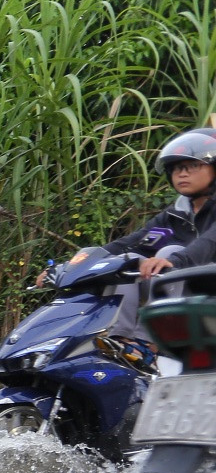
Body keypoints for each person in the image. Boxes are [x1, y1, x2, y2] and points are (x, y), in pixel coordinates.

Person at [43, 128, 216, 369]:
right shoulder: (176, 214)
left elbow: (208, 243)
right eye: (176, 168)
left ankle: (150, 343)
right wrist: (70, 266)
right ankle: (123, 338)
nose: (182, 174)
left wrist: (175, 260)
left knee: (165, 255)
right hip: (187, 291)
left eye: (192, 166)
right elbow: (132, 243)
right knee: (130, 259)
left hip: (209, 288)